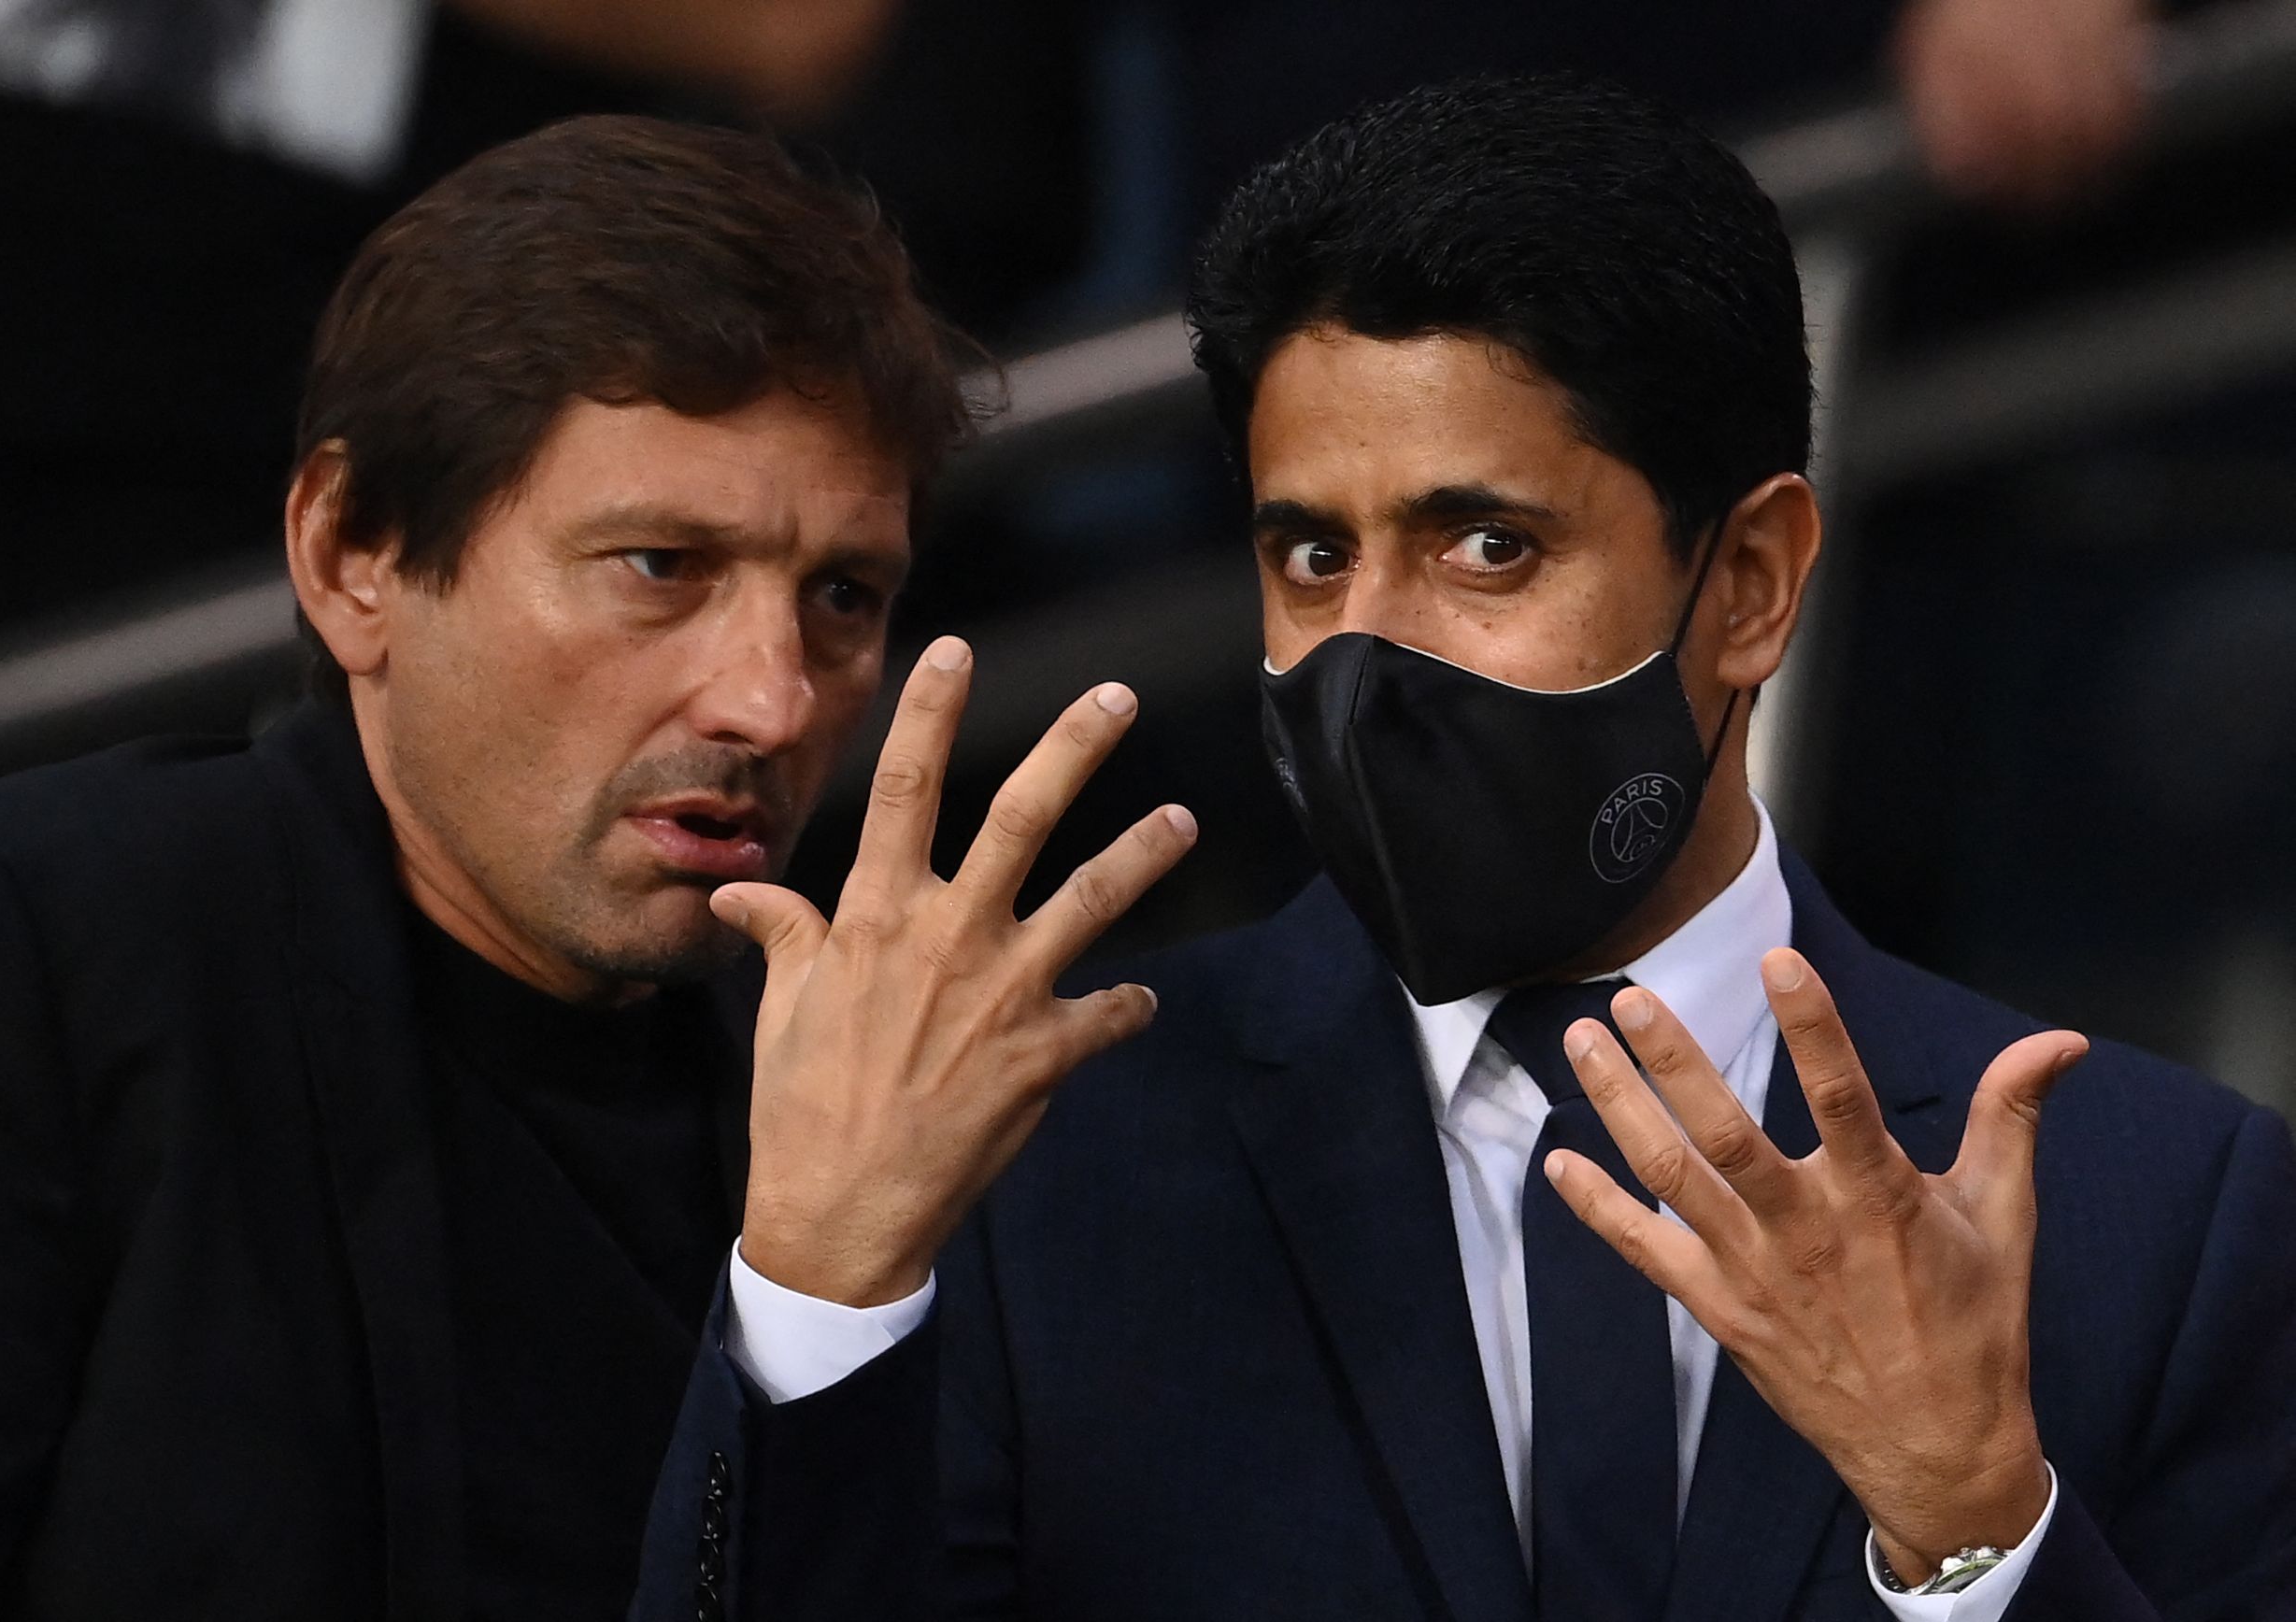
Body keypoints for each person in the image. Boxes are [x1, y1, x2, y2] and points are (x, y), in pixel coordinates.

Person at [635, 77, 2296, 1620]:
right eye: (1309, 555)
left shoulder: (2153, 1212)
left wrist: (1974, 1530)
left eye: (1488, 546)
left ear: (1751, 585)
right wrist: (820, 1296)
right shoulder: (1026, 1169)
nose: (1368, 665)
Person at [0, 116, 1195, 1620]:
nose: (769, 696)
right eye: (660, 568)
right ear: (353, 555)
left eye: (842, 594)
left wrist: (824, 1297)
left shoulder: (912, 1130)